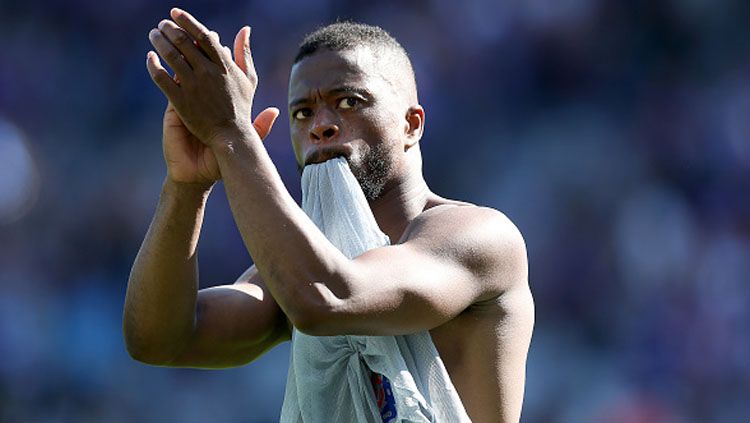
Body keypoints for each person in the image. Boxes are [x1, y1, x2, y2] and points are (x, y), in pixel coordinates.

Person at [124, 7, 534, 422]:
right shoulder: (301, 267)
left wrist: (232, 134)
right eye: (302, 113)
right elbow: (160, 340)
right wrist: (187, 186)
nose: (320, 126)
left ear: (412, 124)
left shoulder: (480, 236)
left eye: (348, 102)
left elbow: (329, 298)